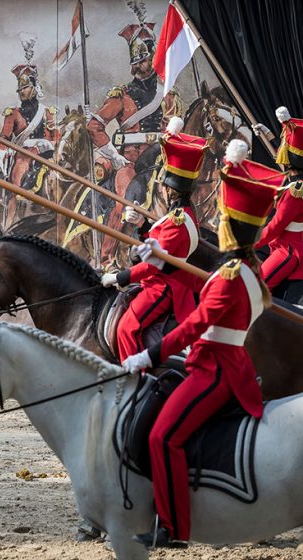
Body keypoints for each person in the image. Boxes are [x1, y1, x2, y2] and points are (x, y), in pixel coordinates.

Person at [122, 139, 285, 549]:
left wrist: (150, 353)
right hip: (217, 361)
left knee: (163, 437)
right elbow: (198, 280)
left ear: (229, 227)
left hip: (216, 369)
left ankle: (174, 529)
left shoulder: (232, 276)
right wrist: (158, 253)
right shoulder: (245, 268)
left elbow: (194, 324)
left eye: (224, 218)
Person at [101, 117, 208, 362]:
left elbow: (155, 263)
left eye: (165, 186)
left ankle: (137, 378)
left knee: (127, 327)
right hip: (158, 279)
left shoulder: (179, 219)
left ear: (171, 189)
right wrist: (142, 225)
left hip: (164, 286)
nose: (163, 189)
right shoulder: (179, 215)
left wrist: (119, 277)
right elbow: (159, 243)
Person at [87, 20, 182, 266]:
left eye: (145, 59)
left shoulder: (167, 94)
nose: (141, 65)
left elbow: (172, 126)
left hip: (160, 158)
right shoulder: (122, 95)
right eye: (136, 62)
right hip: (129, 161)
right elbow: (94, 126)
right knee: (125, 201)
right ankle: (106, 259)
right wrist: (114, 156)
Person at [255, 106, 303, 302]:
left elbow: (275, 226)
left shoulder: (296, 192)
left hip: (288, 251)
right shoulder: (297, 180)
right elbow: (288, 149)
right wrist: (269, 135)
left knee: (253, 291)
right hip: (284, 245)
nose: (280, 154)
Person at [0, 63, 59, 188]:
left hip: (46, 155)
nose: (21, 92)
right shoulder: (13, 113)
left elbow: (54, 135)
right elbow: (4, 138)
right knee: (19, 179)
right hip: (22, 156)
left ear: (34, 88)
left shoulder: (47, 112)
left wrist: (49, 144)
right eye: (19, 89)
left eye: (25, 88)